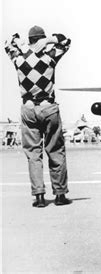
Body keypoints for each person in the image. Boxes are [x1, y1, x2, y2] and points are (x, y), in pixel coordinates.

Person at [4, 26, 72, 207]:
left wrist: (20, 43)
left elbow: (7, 44)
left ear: (30, 39)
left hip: (28, 109)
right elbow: (66, 41)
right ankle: (59, 194)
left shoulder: (18, 58)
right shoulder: (50, 55)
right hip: (48, 107)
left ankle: (39, 196)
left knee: (34, 155)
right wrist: (49, 40)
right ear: (41, 39)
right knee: (56, 151)